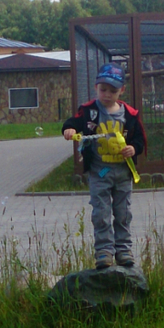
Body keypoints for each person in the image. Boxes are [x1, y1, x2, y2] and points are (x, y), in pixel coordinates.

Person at [62, 63, 146, 270]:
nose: (107, 94)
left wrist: (133, 149)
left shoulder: (130, 114)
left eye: (113, 90)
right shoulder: (89, 111)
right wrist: (69, 130)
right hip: (99, 173)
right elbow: (71, 123)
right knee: (101, 213)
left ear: (122, 90)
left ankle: (124, 249)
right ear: (96, 87)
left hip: (123, 173)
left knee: (123, 212)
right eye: (103, 89)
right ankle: (104, 251)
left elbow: (140, 139)